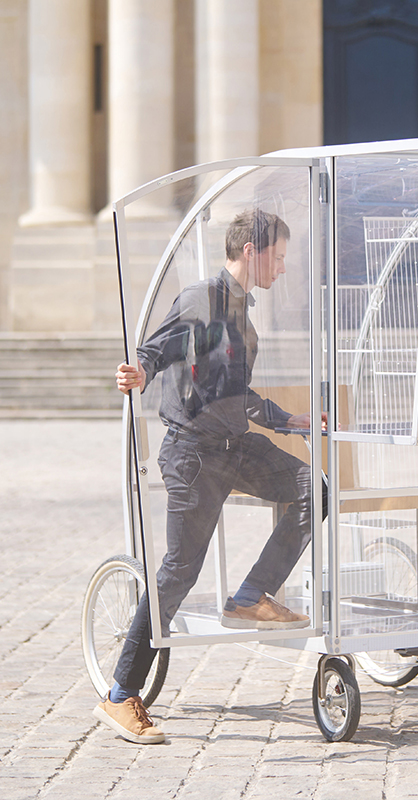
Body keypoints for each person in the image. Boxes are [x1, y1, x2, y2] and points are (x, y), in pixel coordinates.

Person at [93, 208, 326, 745]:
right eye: (280, 257)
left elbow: (235, 395)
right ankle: (119, 694)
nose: (284, 268)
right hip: (194, 455)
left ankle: (251, 594)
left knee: (315, 489)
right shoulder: (201, 300)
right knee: (178, 572)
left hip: (236, 446)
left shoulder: (244, 315)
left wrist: (289, 420)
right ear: (253, 250)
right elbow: (158, 348)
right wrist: (140, 371)